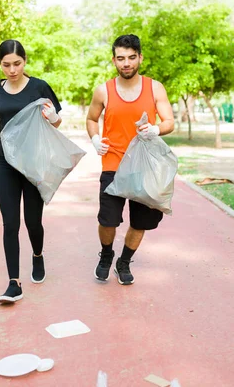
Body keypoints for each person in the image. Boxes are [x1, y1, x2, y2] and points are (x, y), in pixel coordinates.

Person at [0, 40, 62, 304]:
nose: (12, 69)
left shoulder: (39, 86)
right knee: (10, 224)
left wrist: (51, 118)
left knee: (32, 222)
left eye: (17, 64)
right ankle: (14, 283)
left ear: (25, 61)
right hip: (6, 162)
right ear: (0, 64)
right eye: (6, 65)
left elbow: (57, 119)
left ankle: (38, 255)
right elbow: (1, 117)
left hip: (33, 164)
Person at [85, 34, 175, 285]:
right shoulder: (103, 90)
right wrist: (94, 138)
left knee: (140, 222)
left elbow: (169, 121)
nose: (126, 63)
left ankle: (123, 262)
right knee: (108, 220)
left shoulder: (155, 87)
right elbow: (92, 119)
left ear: (140, 58)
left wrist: (156, 129)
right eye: (121, 58)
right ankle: (106, 255)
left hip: (145, 166)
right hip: (113, 163)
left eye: (131, 58)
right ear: (114, 60)